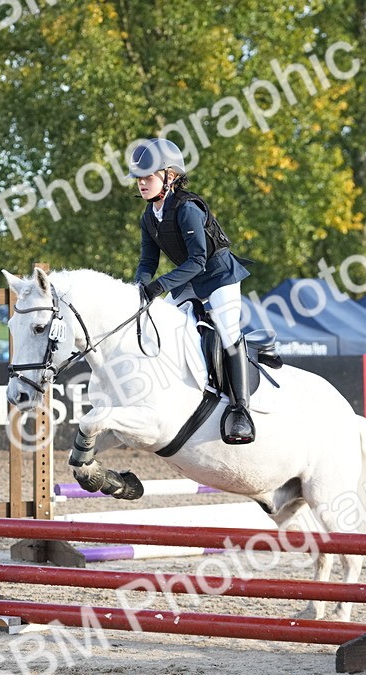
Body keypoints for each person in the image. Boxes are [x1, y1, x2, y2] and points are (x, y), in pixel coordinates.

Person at [128, 137, 255, 445]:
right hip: (189, 280)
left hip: (218, 275)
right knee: (163, 323)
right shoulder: (149, 217)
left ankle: (240, 410)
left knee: (227, 331)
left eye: (148, 177)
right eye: (139, 179)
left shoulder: (187, 209)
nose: (141, 183)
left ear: (169, 177)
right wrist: (137, 287)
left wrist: (159, 285)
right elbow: (148, 260)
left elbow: (198, 260)